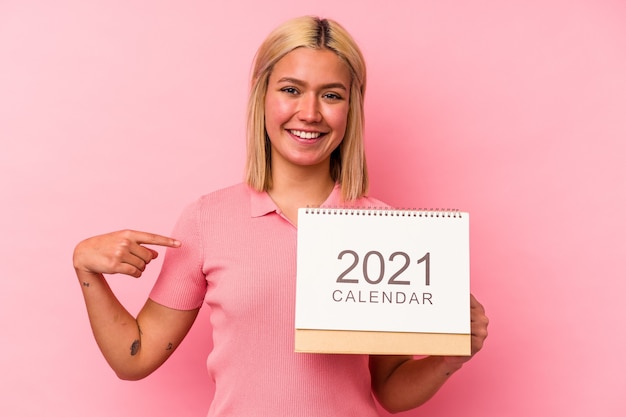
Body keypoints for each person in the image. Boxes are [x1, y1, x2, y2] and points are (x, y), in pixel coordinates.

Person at [73, 16, 489, 416]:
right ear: (262, 95)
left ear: (351, 108)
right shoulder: (208, 220)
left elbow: (391, 391)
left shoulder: (382, 229)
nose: (309, 112)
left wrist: (448, 358)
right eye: (291, 90)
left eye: (331, 95)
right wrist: (87, 269)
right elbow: (135, 358)